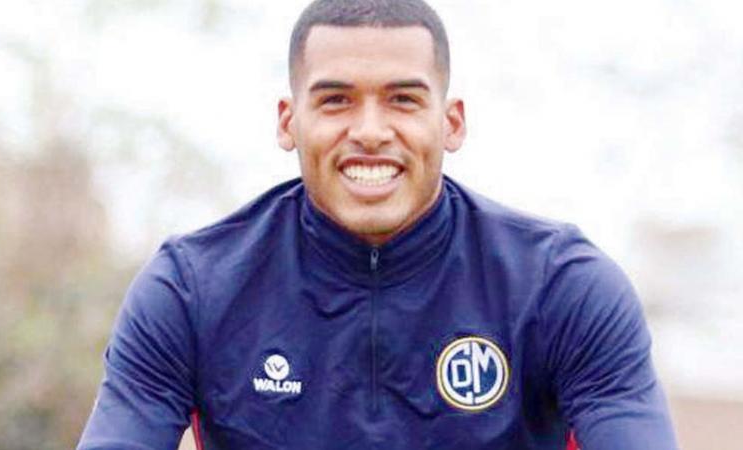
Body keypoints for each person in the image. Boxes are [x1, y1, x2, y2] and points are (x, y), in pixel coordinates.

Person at [77, 0, 679, 449]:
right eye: (336, 100)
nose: (369, 131)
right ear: (289, 121)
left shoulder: (562, 287)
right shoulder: (191, 289)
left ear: (451, 123)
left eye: (403, 99)